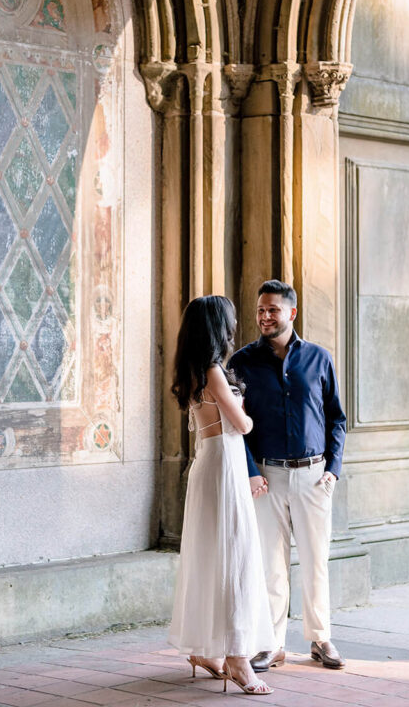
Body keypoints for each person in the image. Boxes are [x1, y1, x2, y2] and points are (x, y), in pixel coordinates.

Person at [230, 280, 347, 672]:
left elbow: (337, 419)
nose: (264, 316)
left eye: (273, 310)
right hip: (266, 476)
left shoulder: (319, 359)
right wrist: (249, 472)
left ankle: (320, 638)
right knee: (270, 564)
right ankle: (272, 644)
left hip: (314, 477)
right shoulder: (241, 363)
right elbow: (233, 426)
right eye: (261, 310)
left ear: (291, 313)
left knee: (316, 560)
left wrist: (333, 469)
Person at [168, 295, 275, 695]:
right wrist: (248, 409)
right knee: (236, 558)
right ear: (219, 327)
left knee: (214, 557)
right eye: (230, 320)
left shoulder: (194, 369)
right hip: (224, 469)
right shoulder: (213, 371)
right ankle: (236, 657)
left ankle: (206, 649)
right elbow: (243, 425)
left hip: (211, 463)